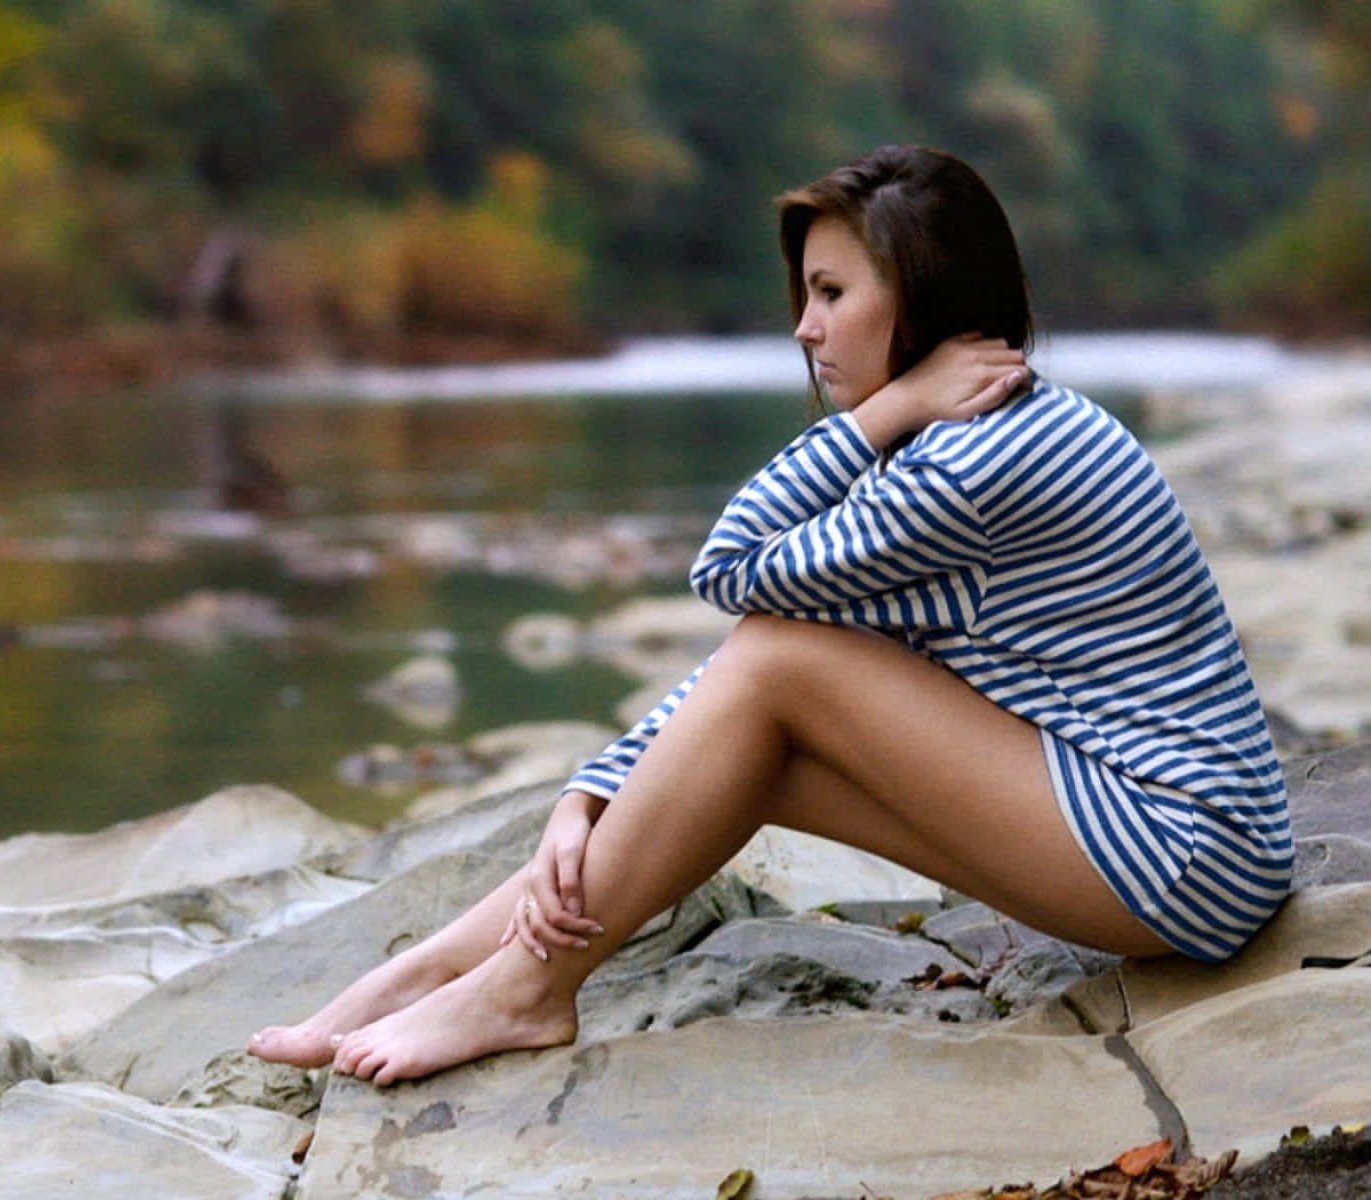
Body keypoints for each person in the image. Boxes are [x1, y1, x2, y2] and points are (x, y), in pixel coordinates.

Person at [247, 144, 1295, 1086]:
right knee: (760, 753)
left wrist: (888, 405)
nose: (805, 328)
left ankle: (525, 990)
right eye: (807, 293)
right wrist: (594, 793)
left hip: (1178, 852)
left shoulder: (980, 457)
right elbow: (754, 677)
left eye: (833, 292)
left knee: (785, 661)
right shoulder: (984, 427)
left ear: (922, 298)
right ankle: (437, 971)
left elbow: (734, 571)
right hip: (1170, 843)